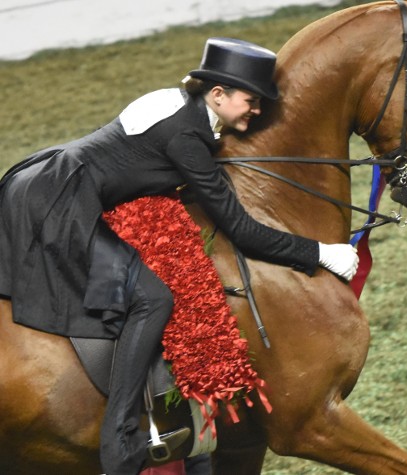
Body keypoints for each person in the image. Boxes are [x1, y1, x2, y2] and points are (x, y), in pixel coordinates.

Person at [0, 37, 358, 474]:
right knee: (153, 298)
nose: (257, 111)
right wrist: (319, 252)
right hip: (57, 202)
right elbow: (241, 230)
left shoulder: (182, 108)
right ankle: (118, 439)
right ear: (218, 94)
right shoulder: (187, 133)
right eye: (251, 100)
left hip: (49, 180)